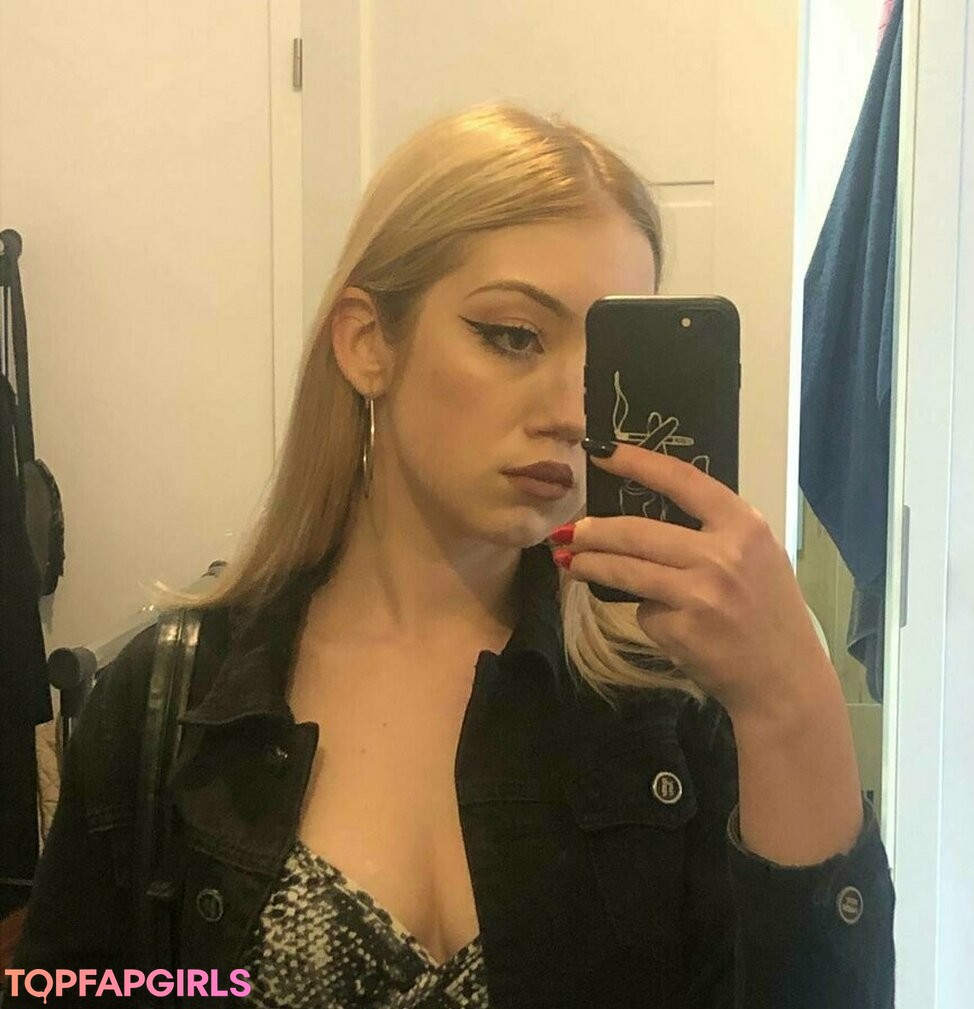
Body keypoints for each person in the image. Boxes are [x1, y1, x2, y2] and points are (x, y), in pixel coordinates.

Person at [6, 101, 895, 1008]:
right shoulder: (173, 702)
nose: (573, 413)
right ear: (367, 342)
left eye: (604, 364)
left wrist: (792, 699)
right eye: (514, 336)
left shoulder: (669, 702)